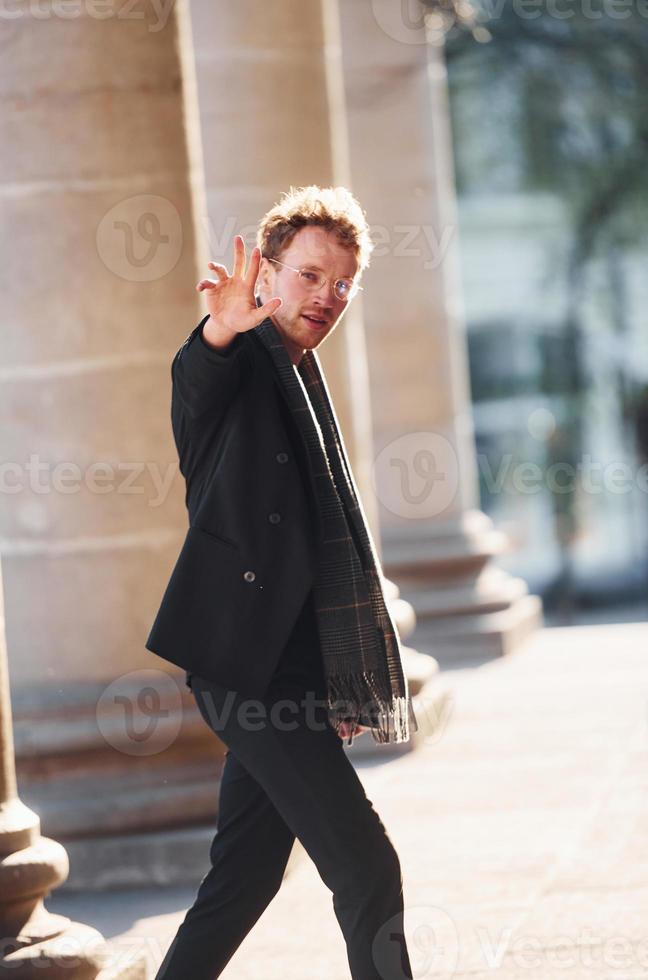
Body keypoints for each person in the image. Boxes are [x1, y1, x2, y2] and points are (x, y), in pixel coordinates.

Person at [149, 185, 417, 979]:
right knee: (368, 867)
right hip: (247, 669)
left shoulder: (304, 379)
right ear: (265, 275)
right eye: (308, 275)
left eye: (341, 283)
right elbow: (198, 381)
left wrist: (335, 678)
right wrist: (221, 329)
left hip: (285, 668)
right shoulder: (239, 366)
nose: (326, 296)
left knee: (244, 877)